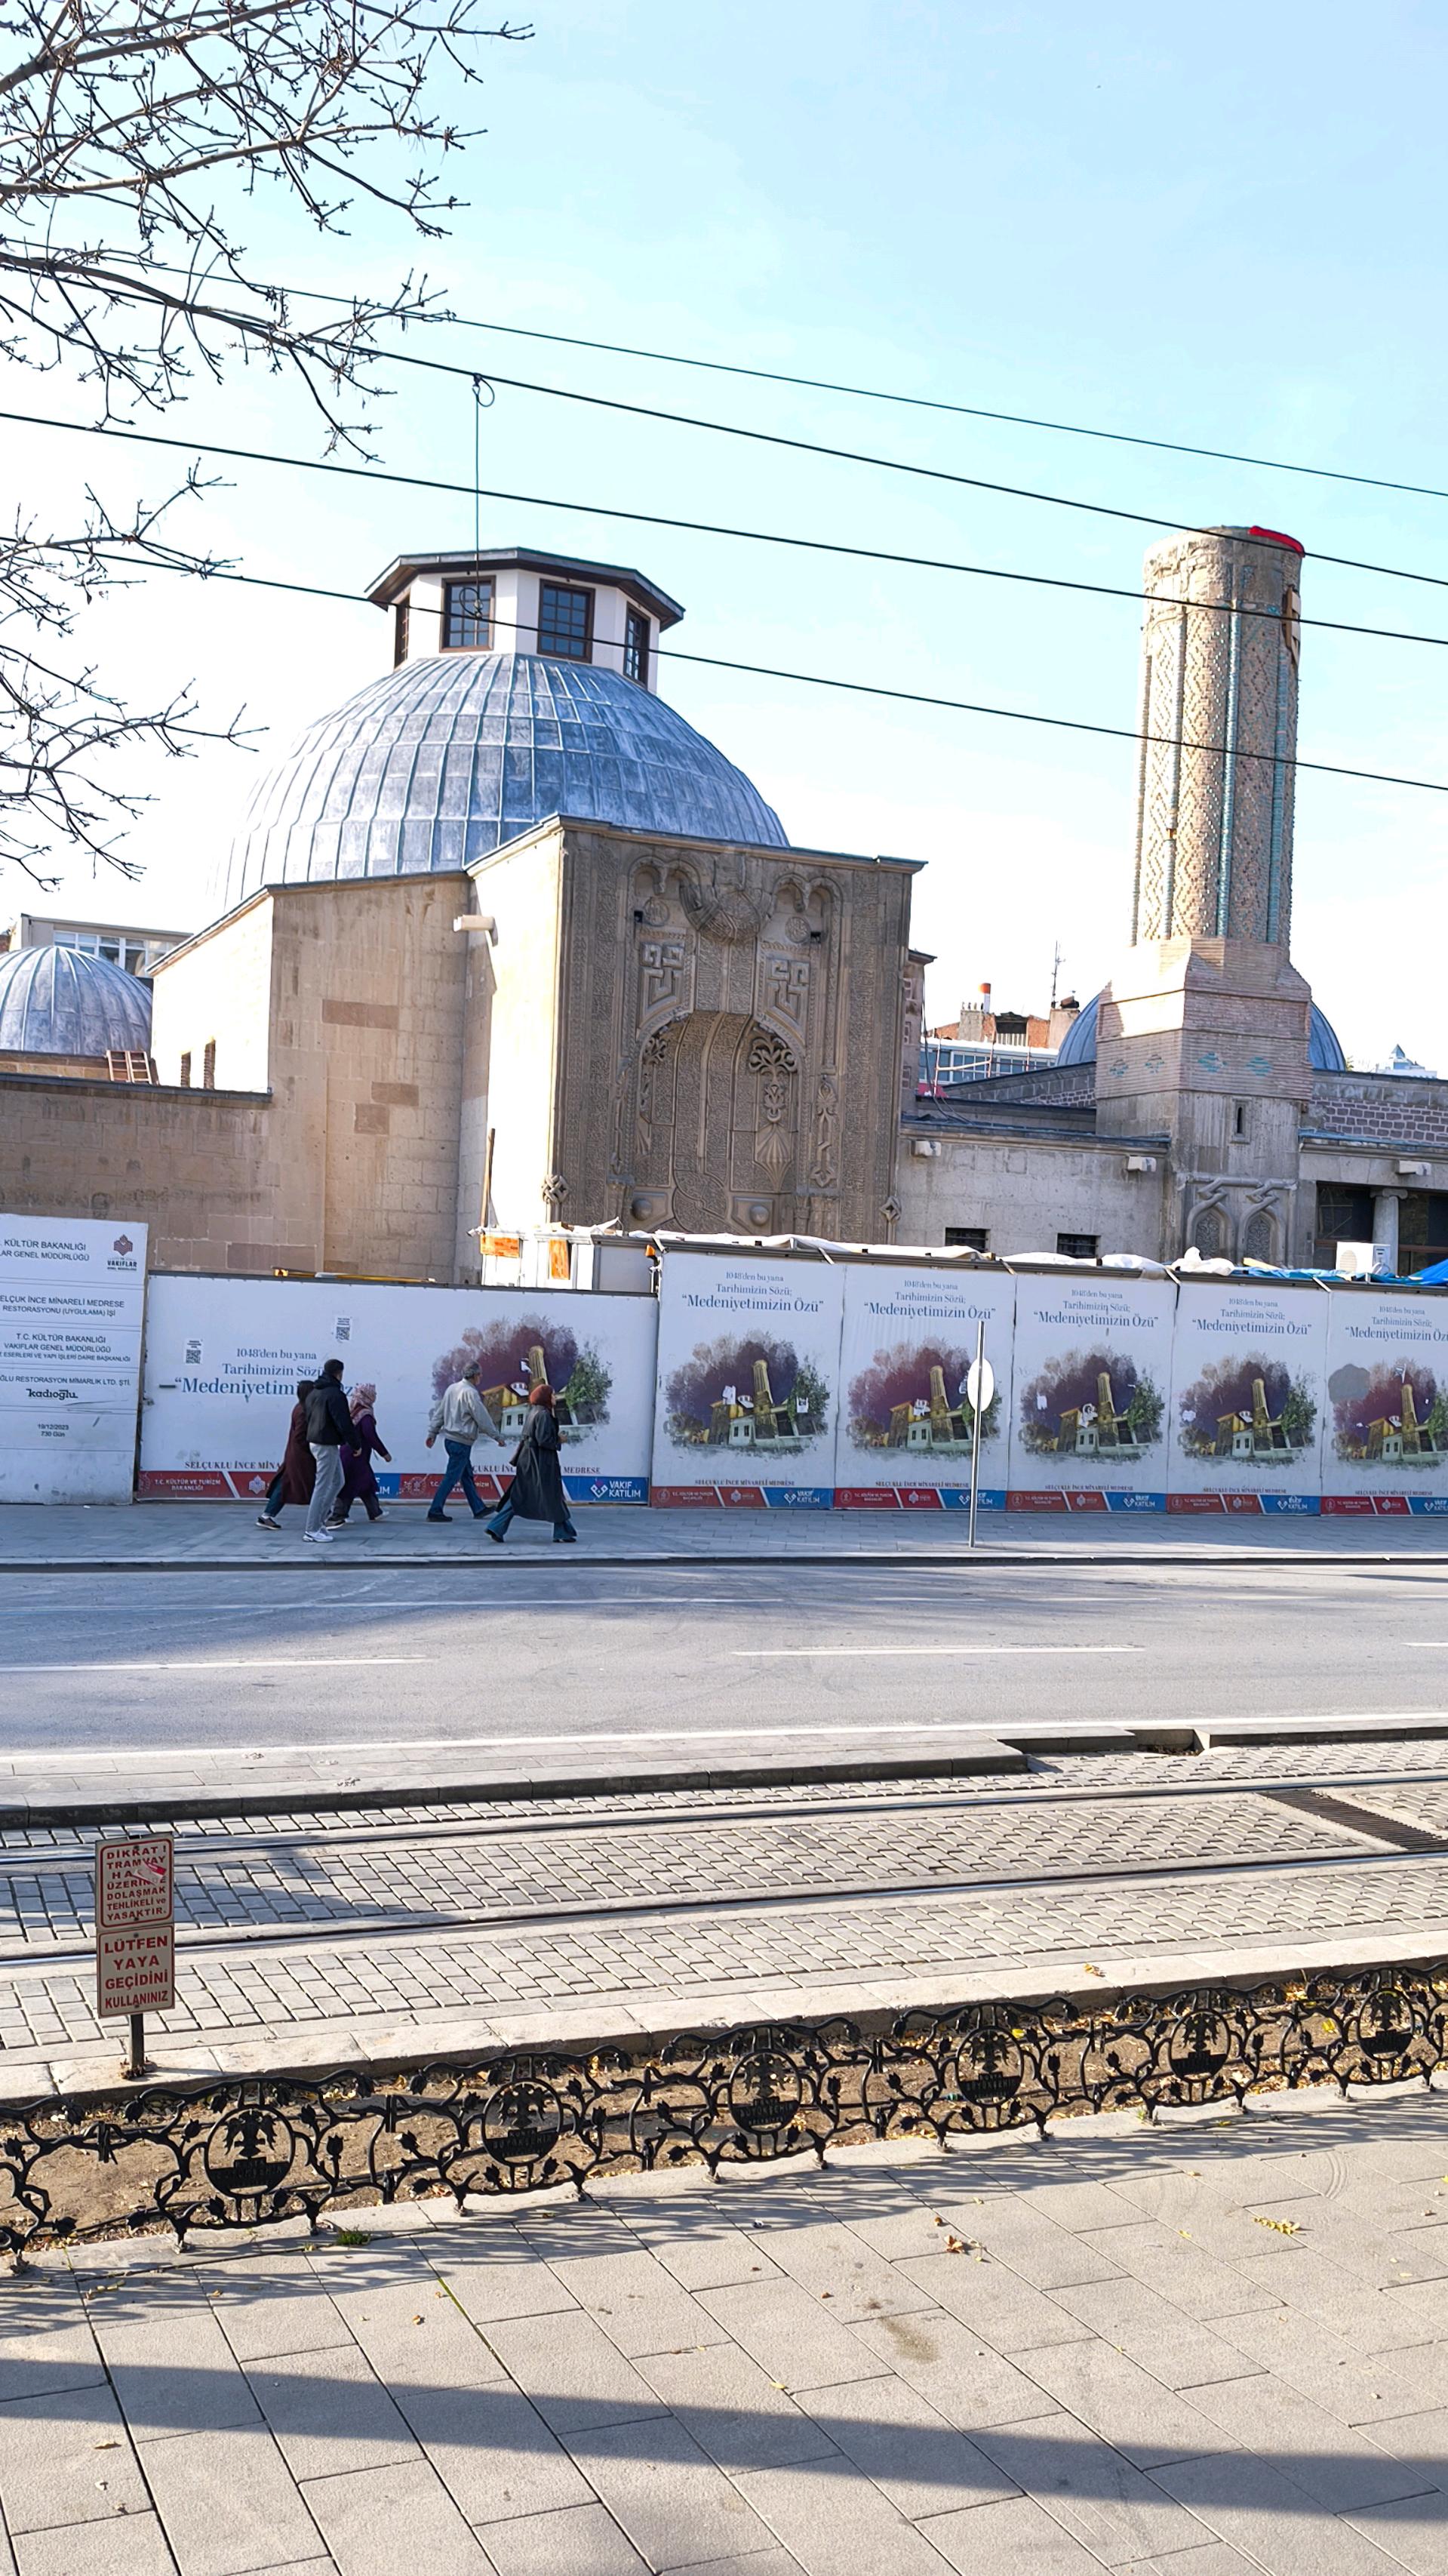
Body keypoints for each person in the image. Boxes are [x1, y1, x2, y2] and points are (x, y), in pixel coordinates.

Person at [487, 1383, 578, 1545]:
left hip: (529, 1460)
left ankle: (496, 1527)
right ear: (545, 1398)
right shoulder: (543, 1415)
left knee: (521, 1496)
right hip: (540, 1462)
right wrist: (559, 1439)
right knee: (551, 1495)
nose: (554, 1397)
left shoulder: (534, 1412)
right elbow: (543, 1440)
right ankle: (563, 1531)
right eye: (552, 1395)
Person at [424, 1362, 493, 1522]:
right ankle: (435, 1510)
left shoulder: (451, 1389)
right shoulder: (471, 1393)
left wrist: (432, 1433)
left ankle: (478, 1508)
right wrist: (496, 1436)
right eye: (480, 1375)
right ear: (475, 1375)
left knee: (466, 1475)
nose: (481, 1377)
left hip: (451, 1441)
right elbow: (482, 1417)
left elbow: (440, 1413)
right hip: (462, 1442)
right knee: (451, 1477)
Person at [303, 1357, 352, 1544]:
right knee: (323, 1486)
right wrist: (355, 1444)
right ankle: (312, 1528)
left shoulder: (314, 1393)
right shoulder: (335, 1394)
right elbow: (344, 1422)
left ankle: (318, 1522)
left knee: (338, 1481)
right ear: (339, 1373)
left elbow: (308, 1417)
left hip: (318, 1442)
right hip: (326, 1444)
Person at [329, 1383, 392, 1526]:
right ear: (367, 1395)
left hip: (353, 1455)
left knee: (366, 1483)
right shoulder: (365, 1415)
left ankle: (375, 1512)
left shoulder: (354, 1412)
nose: (375, 1396)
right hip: (355, 1456)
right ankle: (338, 1515)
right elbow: (370, 1435)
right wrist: (384, 1453)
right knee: (350, 1484)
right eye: (374, 1393)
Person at [256, 1380, 315, 1529]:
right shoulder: (304, 1411)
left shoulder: (300, 1408)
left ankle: (267, 1515)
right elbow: (300, 1436)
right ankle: (326, 1514)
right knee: (309, 1483)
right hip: (301, 1455)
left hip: (295, 1453)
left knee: (287, 1483)